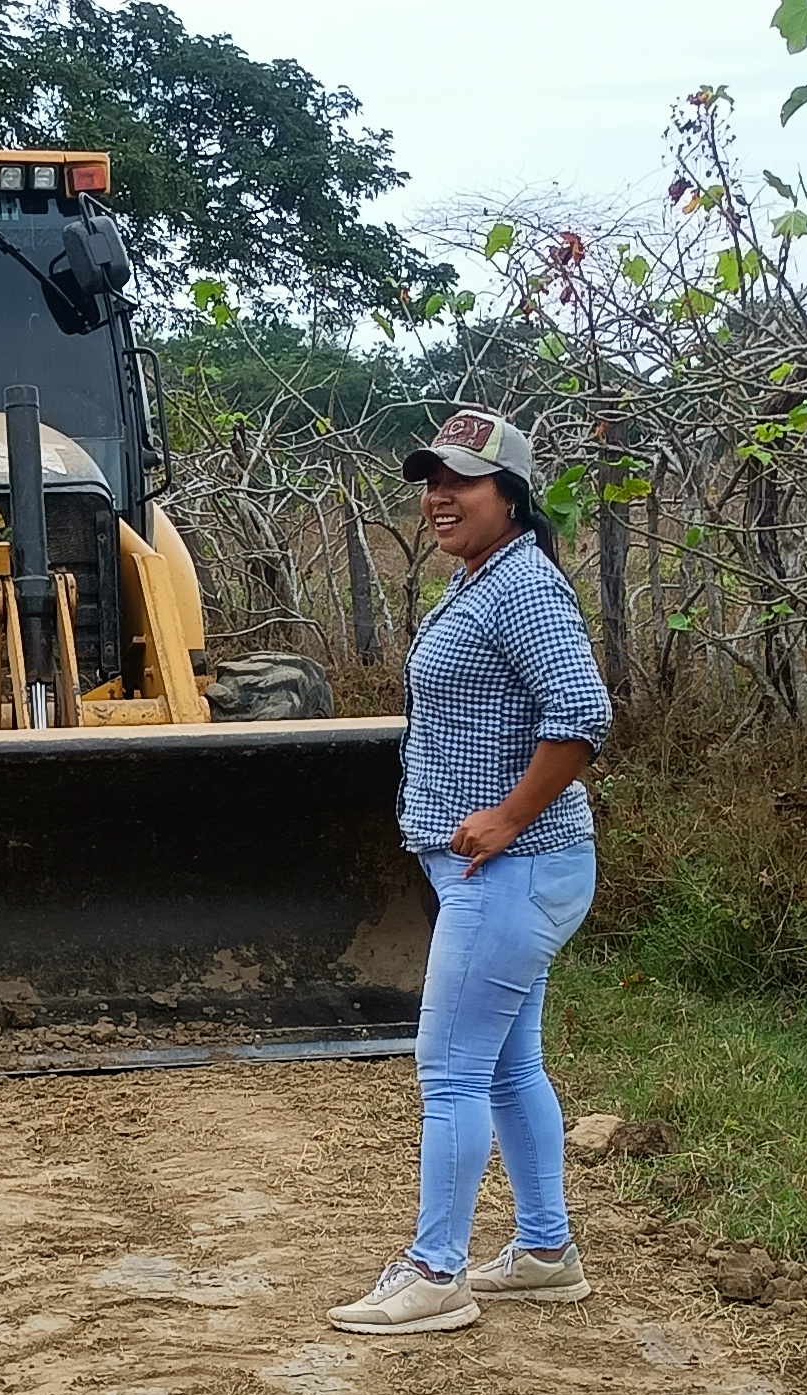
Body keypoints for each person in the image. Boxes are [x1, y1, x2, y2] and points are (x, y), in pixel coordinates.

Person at [328, 408, 613, 1336]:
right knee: (505, 1064)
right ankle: (546, 1251)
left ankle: (435, 1272)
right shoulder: (479, 579)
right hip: (505, 873)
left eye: (463, 482)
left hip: (517, 868)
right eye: (432, 481)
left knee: (449, 1070)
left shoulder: (523, 585)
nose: (440, 497)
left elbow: (582, 716)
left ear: (513, 496)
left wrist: (509, 816)